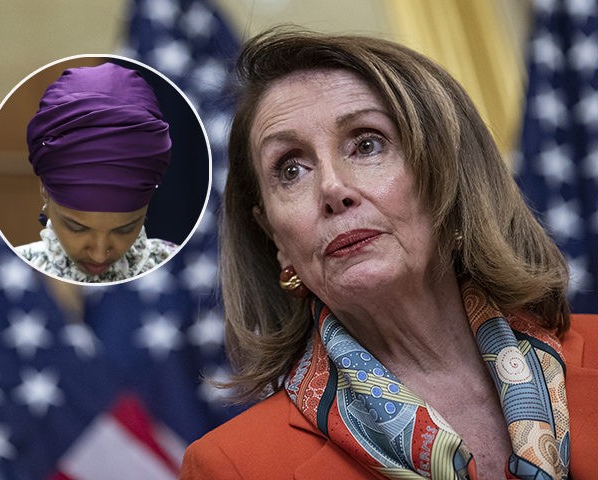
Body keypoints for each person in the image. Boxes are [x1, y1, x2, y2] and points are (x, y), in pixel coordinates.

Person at [180, 29, 598, 479]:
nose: (333, 189)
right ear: (276, 239)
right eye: (291, 169)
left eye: (366, 144)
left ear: (447, 176)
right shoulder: (234, 467)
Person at [16, 62, 178, 283]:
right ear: (44, 188)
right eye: (76, 227)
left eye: (125, 229)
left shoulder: (186, 273)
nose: (100, 254)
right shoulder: (5, 272)